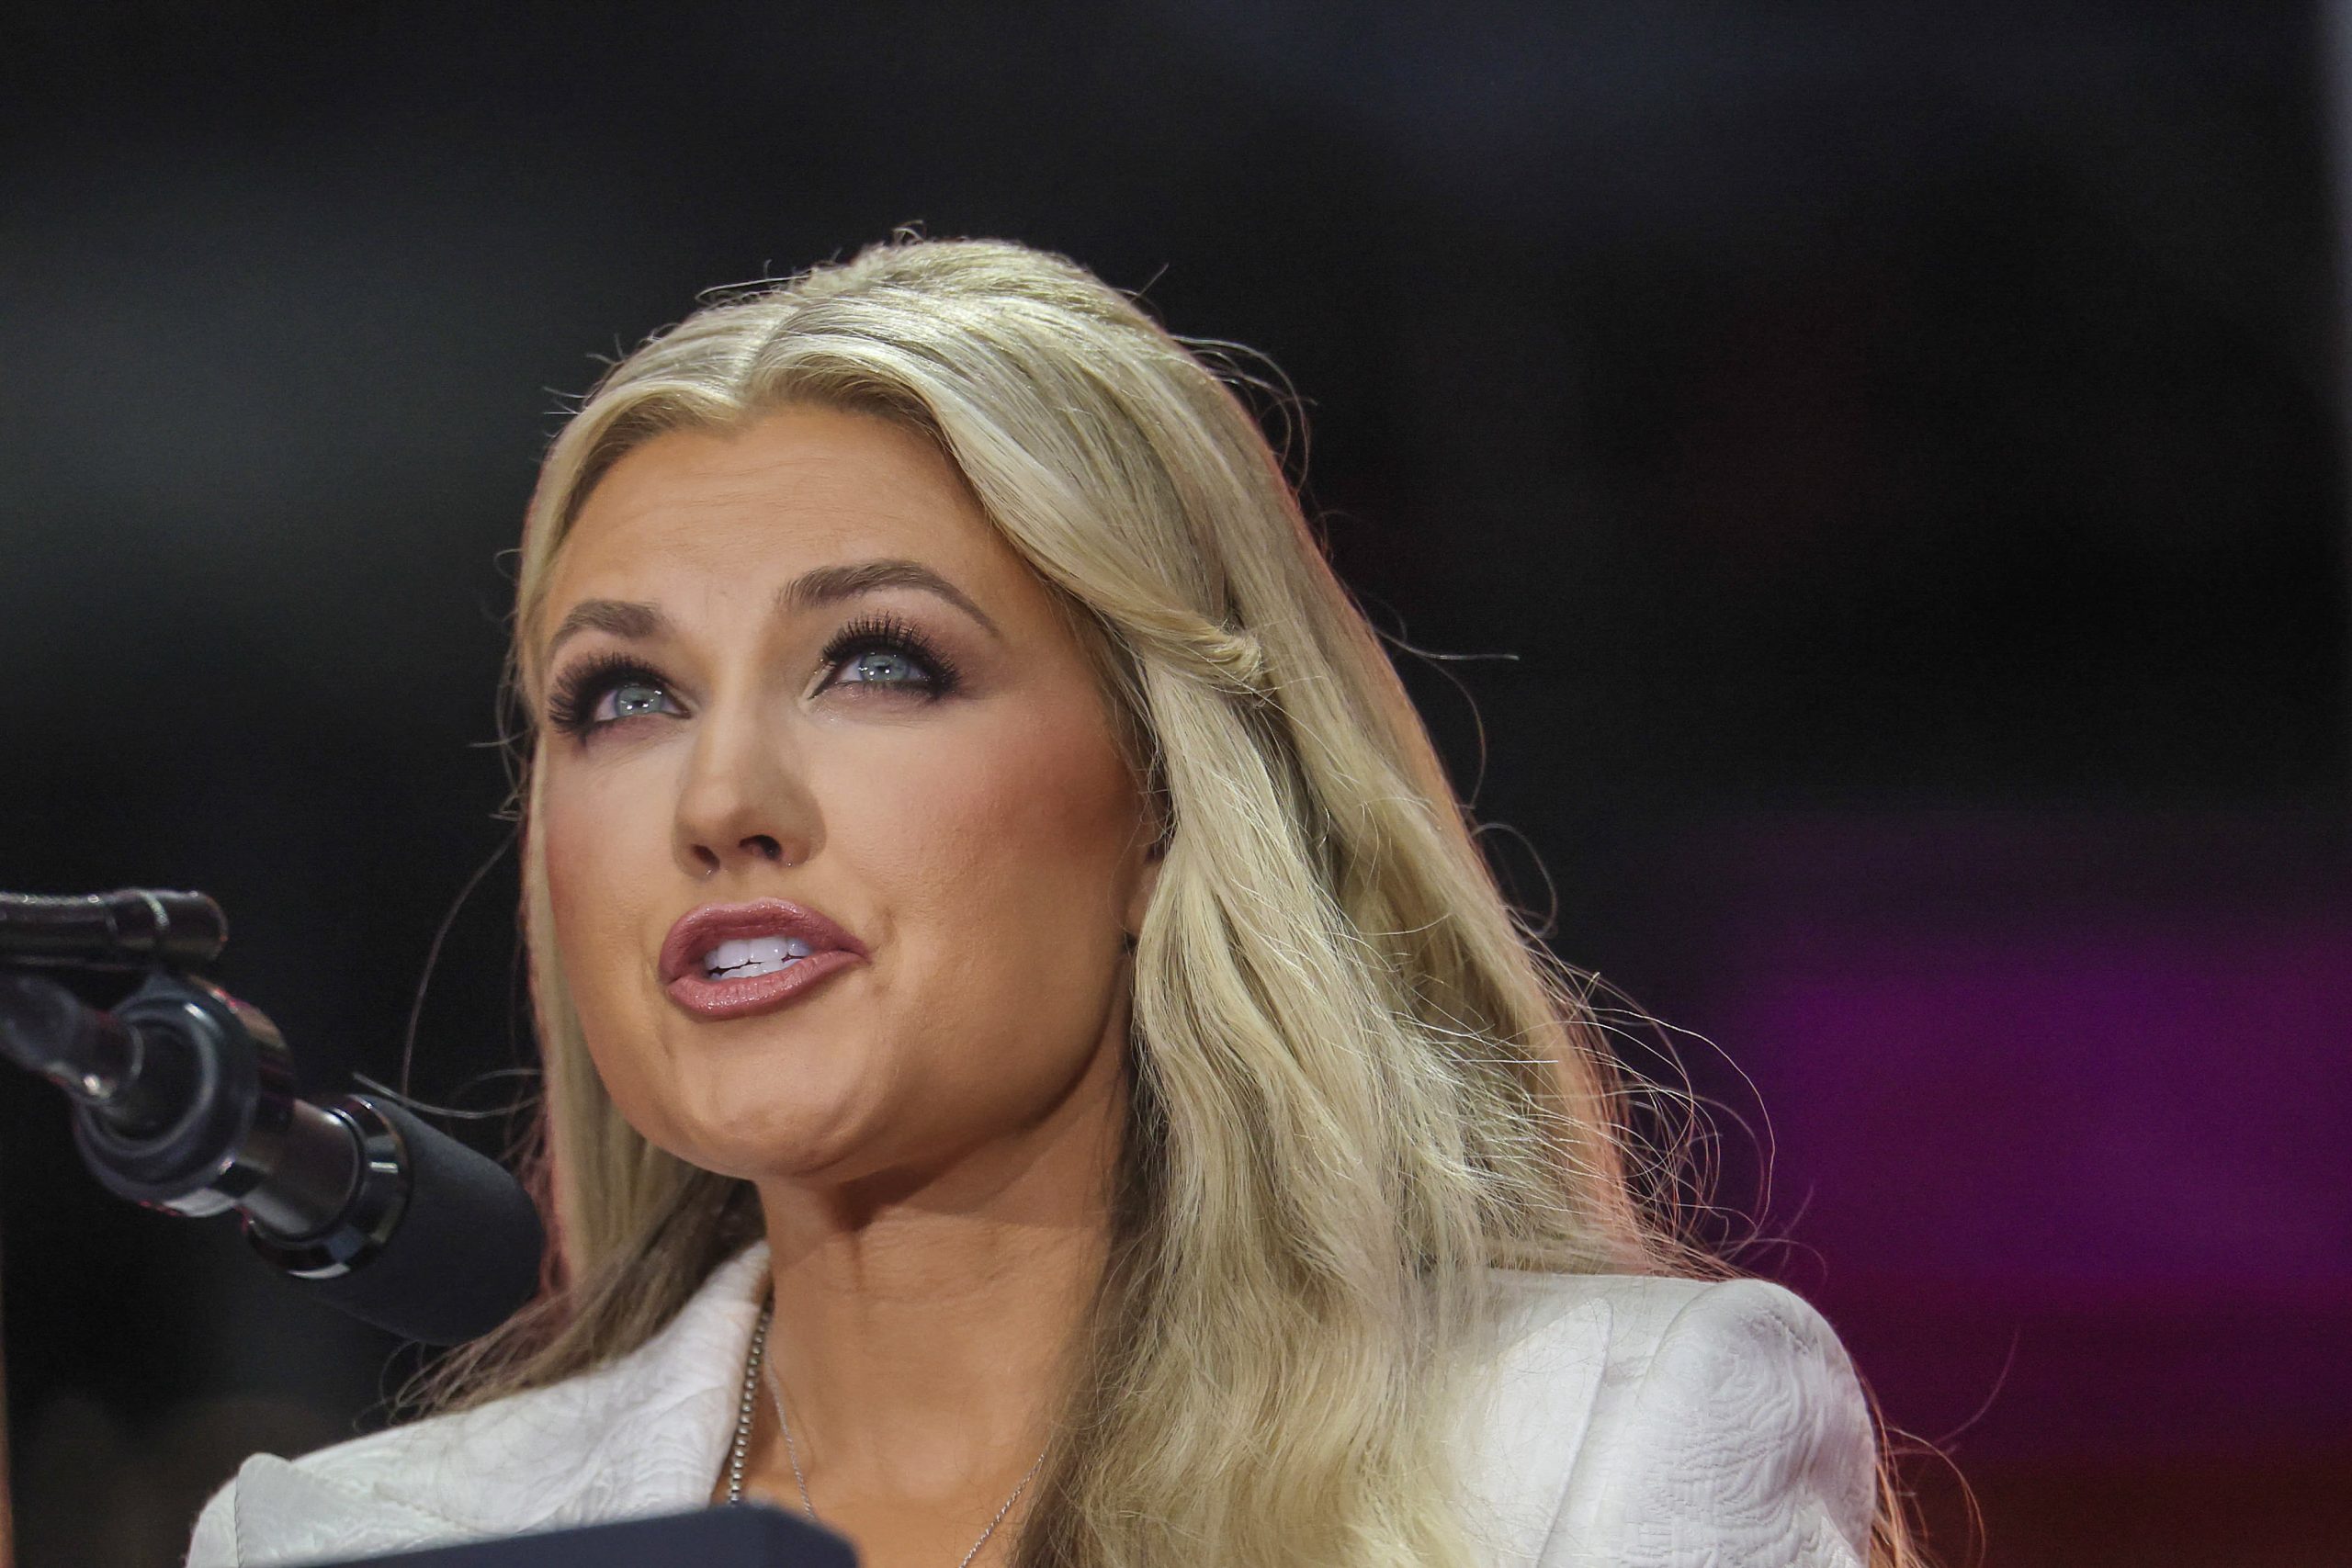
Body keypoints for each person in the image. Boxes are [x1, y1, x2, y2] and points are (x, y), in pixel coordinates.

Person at [186, 238, 1922, 1568]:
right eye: (623, 699)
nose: (718, 803)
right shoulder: (342, 1547)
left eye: (878, 664)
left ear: (1163, 803)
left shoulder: (1589, 1455)